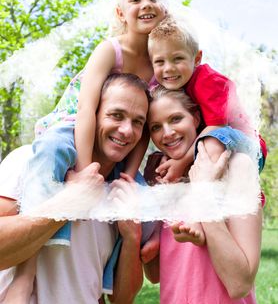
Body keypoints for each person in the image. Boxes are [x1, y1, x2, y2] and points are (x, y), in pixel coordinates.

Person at [0, 73, 150, 304]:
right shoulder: (30, 161)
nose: (127, 130)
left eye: (137, 122)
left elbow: (122, 299)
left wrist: (132, 237)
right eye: (116, 115)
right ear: (92, 114)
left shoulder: (123, 193)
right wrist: (69, 203)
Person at [147, 15, 266, 243]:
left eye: (178, 58)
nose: (168, 68)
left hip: (248, 145)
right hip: (224, 144)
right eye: (160, 62)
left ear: (197, 58)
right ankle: (161, 232)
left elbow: (216, 127)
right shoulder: (178, 84)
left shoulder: (207, 81)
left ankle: (197, 215)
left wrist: (181, 163)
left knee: (209, 139)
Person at [143, 86, 263, 303]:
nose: (167, 133)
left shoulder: (238, 166)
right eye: (156, 127)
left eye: (176, 118)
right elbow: (154, 275)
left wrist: (204, 194)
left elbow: (239, 284)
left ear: (196, 118)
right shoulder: (162, 178)